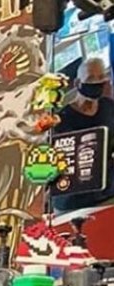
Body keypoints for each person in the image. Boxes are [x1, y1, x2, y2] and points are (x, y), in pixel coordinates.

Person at [53, 56, 114, 215]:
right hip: (73, 203)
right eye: (91, 78)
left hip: (107, 194)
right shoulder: (60, 120)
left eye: (101, 77)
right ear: (78, 83)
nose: (97, 83)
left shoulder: (108, 107)